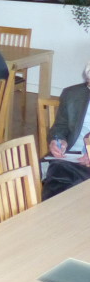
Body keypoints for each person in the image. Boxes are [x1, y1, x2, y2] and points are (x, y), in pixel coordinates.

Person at [43, 61, 90, 198]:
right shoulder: (72, 94)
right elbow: (60, 126)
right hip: (71, 158)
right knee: (58, 174)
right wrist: (57, 140)